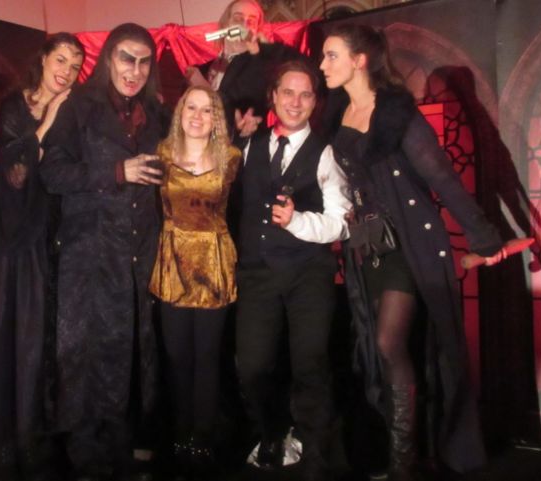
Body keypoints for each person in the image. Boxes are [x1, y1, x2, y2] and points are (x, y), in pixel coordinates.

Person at [319, 24, 504, 480]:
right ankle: (400, 452)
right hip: (368, 247)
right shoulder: (338, 112)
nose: (323, 65)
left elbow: (443, 179)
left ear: (360, 60)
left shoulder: (398, 115)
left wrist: (484, 239)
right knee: (378, 349)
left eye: (331, 55)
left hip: (408, 242)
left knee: (388, 342)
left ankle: (403, 463)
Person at [40, 23, 169, 480]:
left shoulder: (157, 113)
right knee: (84, 358)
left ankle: (121, 450)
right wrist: (116, 171)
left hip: (139, 253)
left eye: (144, 62)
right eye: (126, 58)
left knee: (130, 354)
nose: (134, 70)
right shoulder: (79, 106)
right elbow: (52, 173)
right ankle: (85, 459)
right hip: (89, 254)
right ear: (109, 58)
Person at [0, 32, 84, 478]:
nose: (67, 71)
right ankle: (2, 437)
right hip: (15, 243)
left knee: (42, 342)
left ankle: (34, 434)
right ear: (44, 59)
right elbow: (15, 176)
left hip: (53, 239)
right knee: (10, 337)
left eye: (75, 65)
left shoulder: (74, 112)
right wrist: (47, 121)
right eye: (61, 59)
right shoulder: (16, 105)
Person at [235, 59, 351, 481]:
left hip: (308, 272)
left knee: (310, 364)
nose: (296, 102)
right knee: (251, 366)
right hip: (257, 272)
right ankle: (271, 432)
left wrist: (298, 221)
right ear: (273, 96)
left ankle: (315, 449)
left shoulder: (326, 151)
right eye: (288, 92)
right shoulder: (248, 145)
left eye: (305, 94)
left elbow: (341, 221)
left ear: (315, 102)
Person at [149, 85, 241, 475]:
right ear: (180, 112)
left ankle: (202, 439)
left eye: (207, 110)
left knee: (207, 357)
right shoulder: (161, 154)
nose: (198, 116)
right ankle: (180, 433)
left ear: (216, 119)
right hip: (173, 262)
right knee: (176, 357)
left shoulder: (232, 158)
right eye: (192, 107)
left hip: (213, 264)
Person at [186, 0, 300, 134]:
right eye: (238, 19)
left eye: (251, 21)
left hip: (244, 142)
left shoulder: (261, 67)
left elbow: (237, 105)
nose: (244, 25)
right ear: (226, 24)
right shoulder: (203, 69)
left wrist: (201, 85)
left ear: (257, 29)